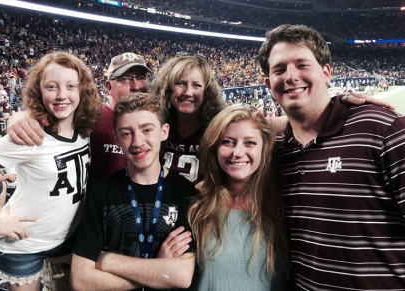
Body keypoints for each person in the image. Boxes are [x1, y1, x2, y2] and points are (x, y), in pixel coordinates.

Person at [259, 24, 405, 289]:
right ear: (268, 84)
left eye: (301, 65)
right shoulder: (274, 150)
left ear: (326, 72)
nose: (290, 76)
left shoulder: (386, 130)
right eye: (279, 69)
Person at [0, 51, 101, 290]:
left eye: (71, 86)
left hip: (67, 241)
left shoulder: (85, 130)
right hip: (24, 247)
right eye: (51, 86)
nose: (62, 95)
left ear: (82, 90)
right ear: (38, 90)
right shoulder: (29, 135)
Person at [71, 92, 195, 290]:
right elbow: (81, 281)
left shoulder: (185, 193)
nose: (137, 142)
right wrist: (158, 269)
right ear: (117, 138)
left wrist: (109, 261)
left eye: (147, 130)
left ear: (164, 132)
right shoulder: (101, 193)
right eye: (127, 133)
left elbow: (181, 276)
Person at [6, 52, 151, 185]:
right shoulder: (88, 117)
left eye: (141, 78)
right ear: (108, 86)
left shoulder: (156, 121)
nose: (136, 86)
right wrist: (22, 116)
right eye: (124, 79)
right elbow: (52, 112)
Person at [188, 105, 288, 290]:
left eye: (250, 142)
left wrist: (340, 102)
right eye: (227, 142)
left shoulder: (283, 204)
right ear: (215, 147)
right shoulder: (197, 205)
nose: (237, 152)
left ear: (265, 147)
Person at [150, 55, 226, 183]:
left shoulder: (220, 129)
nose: (188, 92)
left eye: (197, 85)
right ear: (168, 88)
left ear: (206, 92)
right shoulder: (155, 124)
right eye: (180, 83)